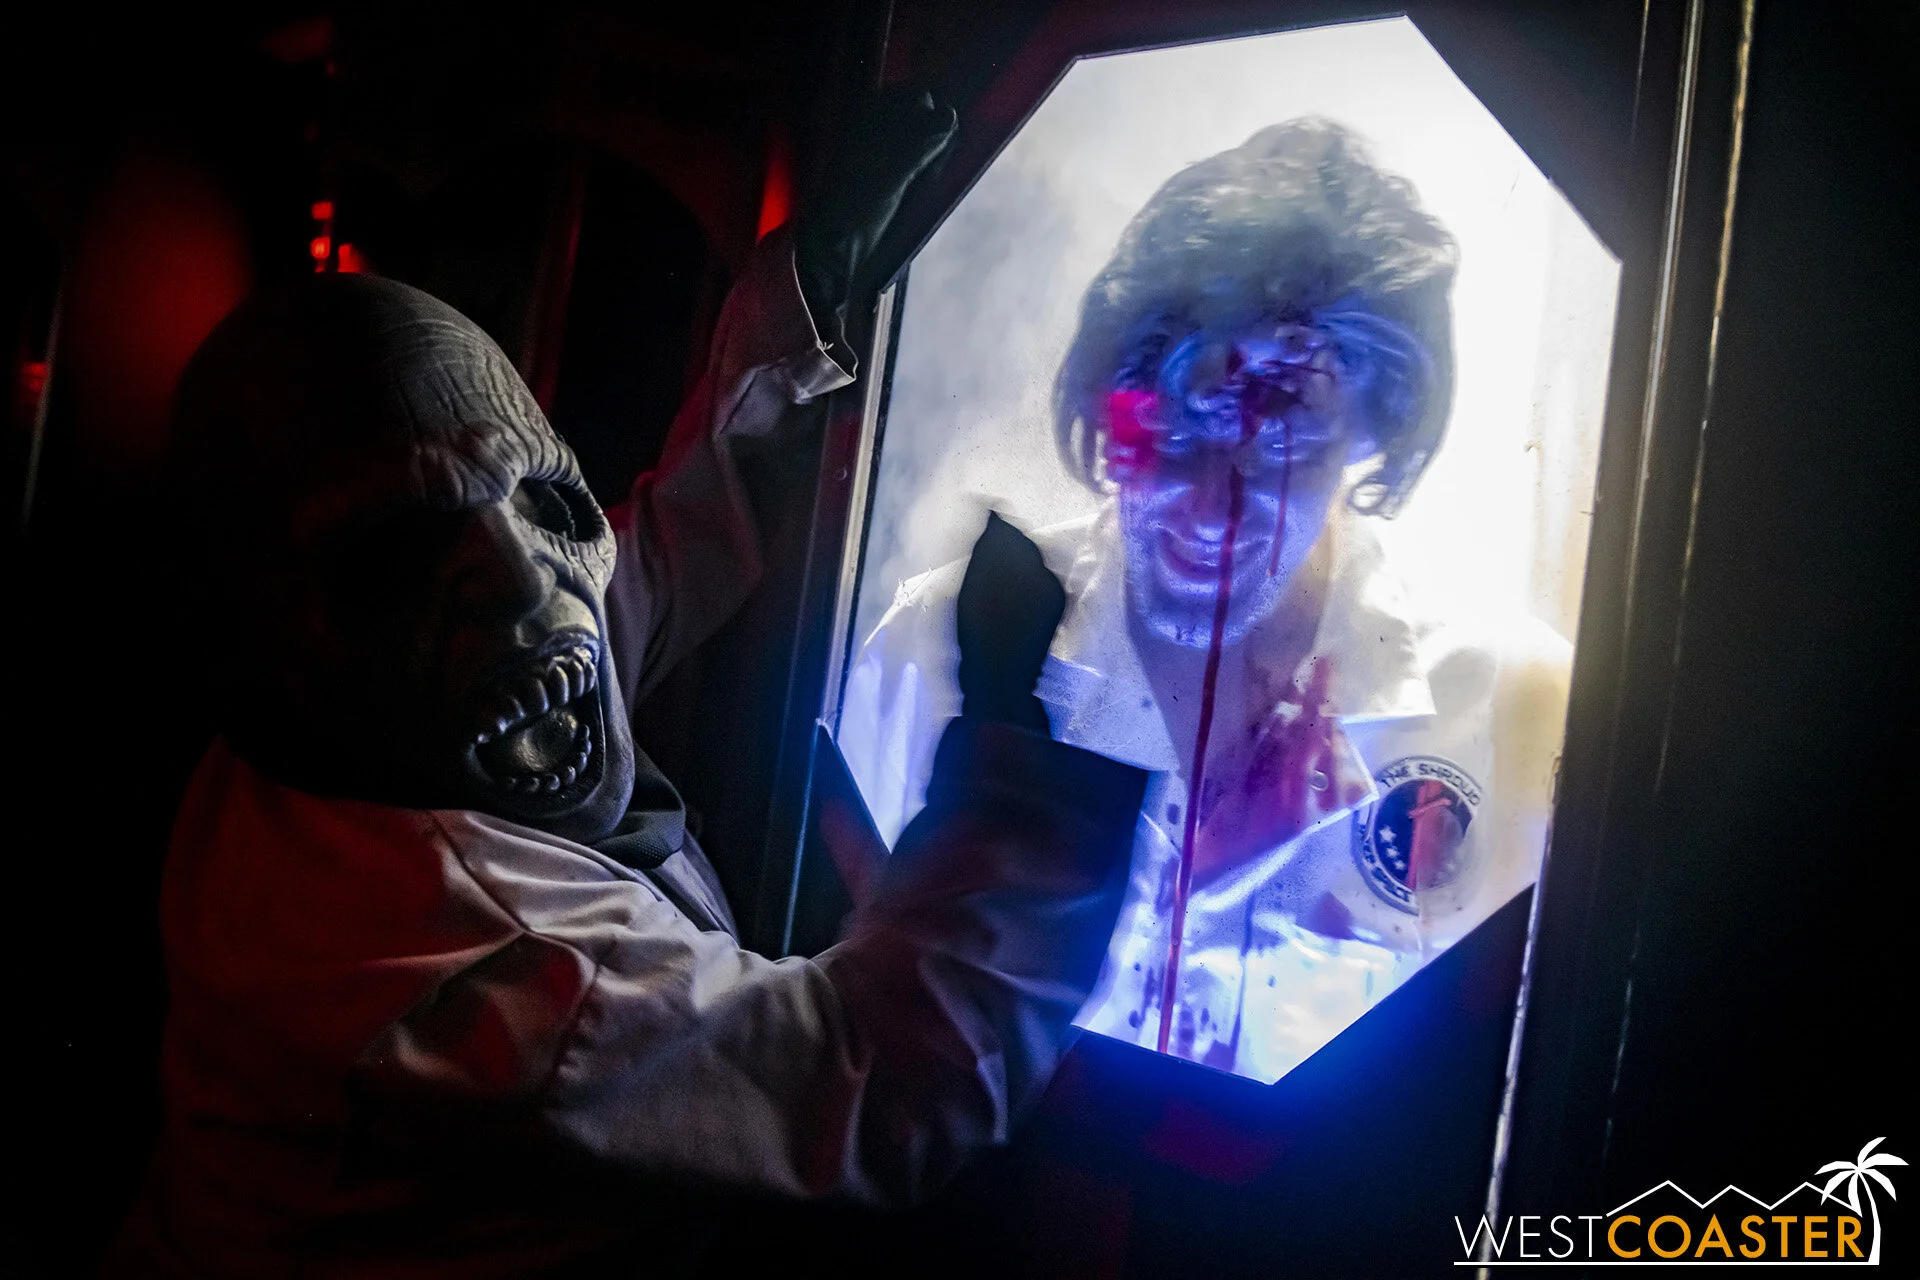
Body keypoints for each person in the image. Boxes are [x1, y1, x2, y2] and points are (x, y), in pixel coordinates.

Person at [108, 95, 1149, 1276]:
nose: (526, 585)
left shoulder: (345, 724)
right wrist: (1012, 740)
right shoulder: (480, 973)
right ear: (256, 651)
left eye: (543, 501)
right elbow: (882, 1080)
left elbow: (659, 548)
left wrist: (802, 291)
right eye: (402, 560)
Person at [840, 119, 1572, 1084]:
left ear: (1374, 425)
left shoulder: (1514, 711)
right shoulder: (926, 660)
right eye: (1175, 420)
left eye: (1278, 433)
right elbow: (854, 1035)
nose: (1207, 500)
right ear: (1110, 396)